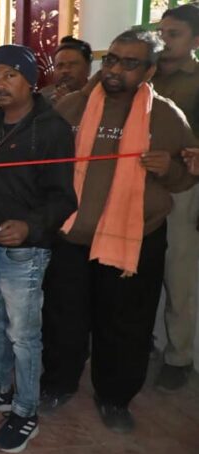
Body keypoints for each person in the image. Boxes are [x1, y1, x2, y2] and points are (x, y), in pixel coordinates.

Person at [42, 29, 196, 433]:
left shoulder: (166, 116)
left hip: (134, 241)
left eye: (129, 63)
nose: (114, 70)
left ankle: (114, 397)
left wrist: (170, 169)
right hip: (72, 236)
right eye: (111, 59)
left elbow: (186, 177)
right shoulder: (72, 106)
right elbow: (43, 160)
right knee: (64, 319)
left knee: (125, 326)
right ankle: (58, 384)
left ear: (149, 71)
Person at [0, 45, 77, 453]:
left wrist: (28, 227)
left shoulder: (51, 129)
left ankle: (25, 411)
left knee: (23, 336)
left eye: (9, 75)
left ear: (30, 80)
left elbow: (63, 198)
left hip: (25, 252)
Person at [152, 3, 199, 392]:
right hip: (137, 185)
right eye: (161, 33)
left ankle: (178, 356)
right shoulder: (143, 75)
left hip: (181, 189)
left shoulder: (196, 82)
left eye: (174, 34)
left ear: (195, 40)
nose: (164, 41)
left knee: (178, 275)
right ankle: (141, 341)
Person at [41, 36, 92, 104]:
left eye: (72, 64)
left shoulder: (98, 96)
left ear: (88, 68)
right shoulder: (42, 98)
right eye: (60, 65)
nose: (65, 70)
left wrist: (69, 103)